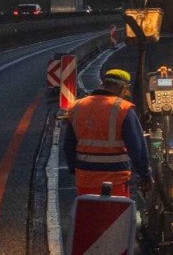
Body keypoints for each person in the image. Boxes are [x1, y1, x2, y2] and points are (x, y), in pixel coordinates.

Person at [66, 68, 154, 196]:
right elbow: (137, 148)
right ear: (122, 88)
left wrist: (76, 170)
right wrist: (146, 176)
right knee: (116, 215)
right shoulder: (123, 109)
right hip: (116, 182)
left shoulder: (76, 107)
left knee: (87, 215)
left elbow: (68, 146)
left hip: (85, 181)